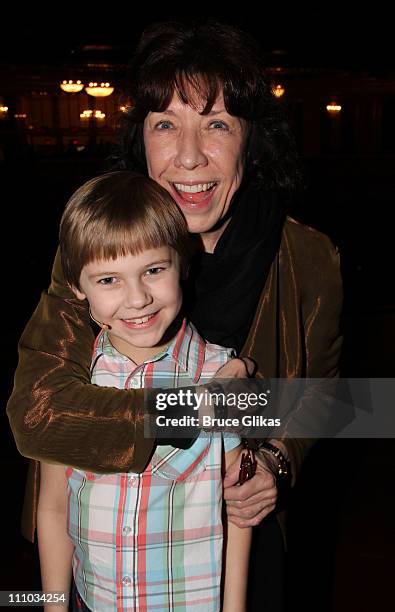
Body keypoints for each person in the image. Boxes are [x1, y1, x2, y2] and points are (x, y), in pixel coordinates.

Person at [7, 20, 342, 610]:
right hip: (98, 550)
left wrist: (275, 460)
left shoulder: (308, 257)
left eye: (216, 124)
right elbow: (37, 414)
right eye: (166, 124)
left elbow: (336, 396)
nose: (189, 156)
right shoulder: (97, 250)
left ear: (251, 140)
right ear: (142, 138)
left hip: (230, 550)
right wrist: (203, 406)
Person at [37, 170, 251, 612]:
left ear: (181, 263)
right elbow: (55, 507)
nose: (137, 299)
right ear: (76, 286)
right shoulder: (67, 381)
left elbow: (239, 508)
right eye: (108, 280)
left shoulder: (219, 375)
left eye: (153, 270)